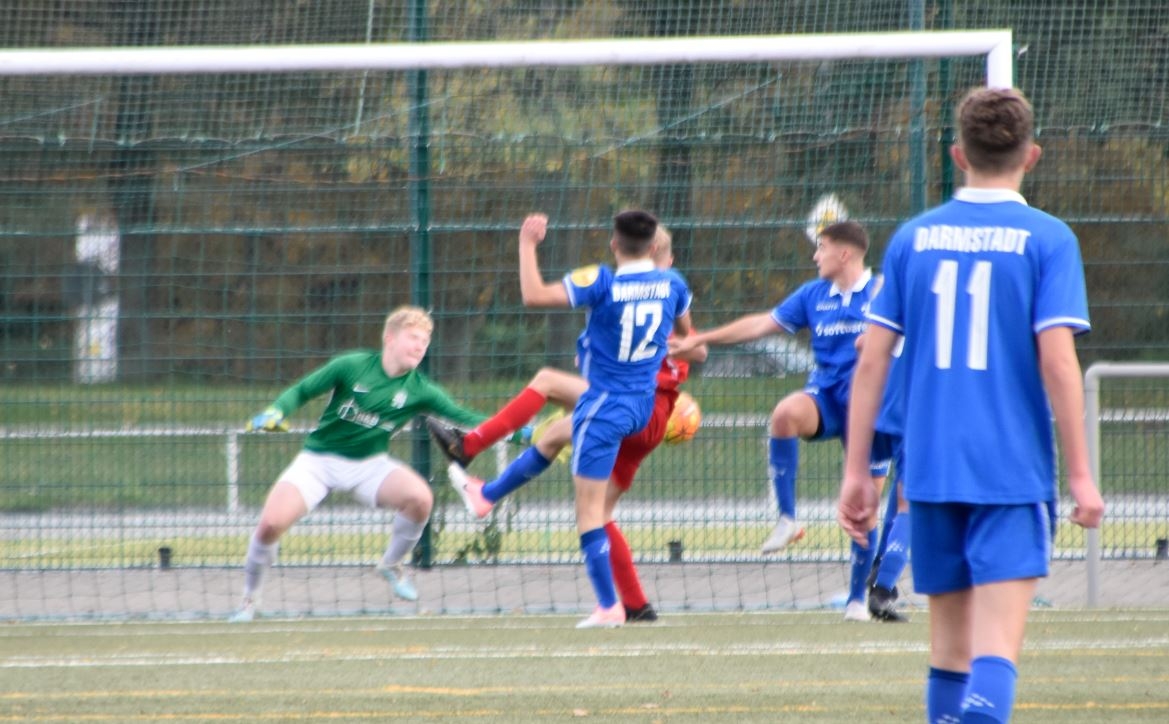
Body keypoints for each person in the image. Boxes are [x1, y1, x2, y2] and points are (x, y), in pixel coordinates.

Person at [838, 87, 1105, 723]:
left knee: (949, 656)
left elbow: (871, 361)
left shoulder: (913, 239)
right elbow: (1058, 361)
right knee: (994, 654)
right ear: (1032, 155)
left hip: (930, 472)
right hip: (1009, 471)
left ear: (958, 155)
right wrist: (1081, 474)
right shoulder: (1049, 239)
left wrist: (856, 471)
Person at [428, 227, 708, 623]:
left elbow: (545, 300)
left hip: (629, 403)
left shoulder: (633, 290)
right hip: (648, 421)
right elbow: (699, 349)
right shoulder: (670, 292)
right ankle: (636, 604)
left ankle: (470, 447)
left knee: (547, 383)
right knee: (559, 441)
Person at [229, 305, 500, 622]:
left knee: (421, 499)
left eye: (425, 341)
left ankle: (391, 565)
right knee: (270, 525)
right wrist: (276, 411)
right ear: (390, 338)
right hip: (317, 462)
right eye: (413, 338)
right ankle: (250, 601)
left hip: (369, 466)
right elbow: (302, 390)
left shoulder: (420, 389)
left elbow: (466, 417)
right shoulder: (351, 365)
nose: (420, 346)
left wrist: (520, 429)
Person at [670, 221, 882, 565]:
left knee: (864, 512)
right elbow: (759, 324)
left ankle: (865, 592)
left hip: (872, 407)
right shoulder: (813, 294)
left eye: (822, 248)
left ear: (844, 254)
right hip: (828, 398)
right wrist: (701, 338)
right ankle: (787, 519)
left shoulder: (881, 292)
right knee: (785, 414)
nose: (815, 256)